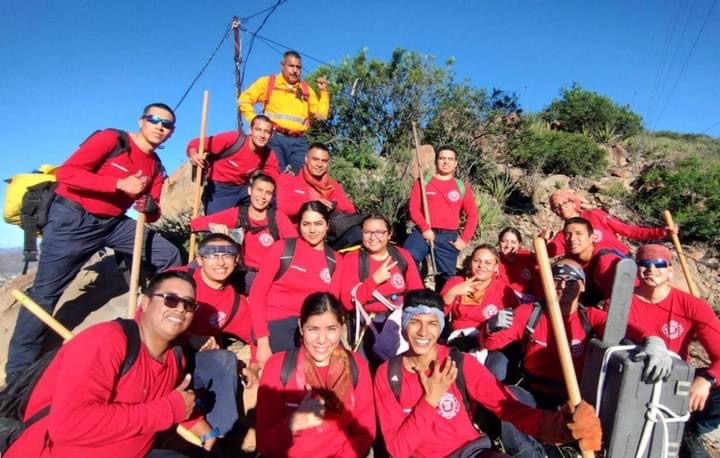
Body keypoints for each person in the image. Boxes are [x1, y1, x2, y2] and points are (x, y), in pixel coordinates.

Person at [6, 103, 182, 380]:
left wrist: (148, 206)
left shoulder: (156, 167)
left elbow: (153, 212)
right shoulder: (112, 140)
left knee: (168, 254)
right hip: (73, 218)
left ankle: (153, 321)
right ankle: (17, 373)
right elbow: (68, 173)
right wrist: (118, 185)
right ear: (142, 121)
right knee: (44, 294)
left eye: (167, 124)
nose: (160, 127)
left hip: (113, 223)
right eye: (155, 119)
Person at [373, 288, 603, 458]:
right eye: (414, 321)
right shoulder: (387, 374)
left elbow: (508, 407)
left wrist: (560, 427)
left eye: (432, 323)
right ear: (403, 325)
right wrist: (431, 399)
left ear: (441, 327)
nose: (423, 331)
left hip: (470, 452)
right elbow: (398, 450)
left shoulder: (458, 362)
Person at [5, 271, 202, 457]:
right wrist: (168, 410)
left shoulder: (175, 357)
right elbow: (69, 425)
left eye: (189, 304)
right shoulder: (106, 341)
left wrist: (196, 423)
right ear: (145, 302)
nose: (180, 308)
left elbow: (167, 402)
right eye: (171, 299)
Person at [625, 244, 720, 457]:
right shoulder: (621, 302)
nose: (651, 269)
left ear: (670, 270)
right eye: (644, 264)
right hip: (635, 383)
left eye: (659, 264)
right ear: (636, 268)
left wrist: (706, 380)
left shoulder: (692, 306)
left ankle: (691, 430)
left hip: (675, 381)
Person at [256, 292, 376, 457]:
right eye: (313, 329)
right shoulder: (278, 366)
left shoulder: (356, 365)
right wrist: (293, 423)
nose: (322, 340)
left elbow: (365, 431)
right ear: (301, 327)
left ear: (341, 327)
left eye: (331, 329)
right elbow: (264, 443)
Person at [249, 201, 344, 367]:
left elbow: (331, 306)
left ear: (327, 225)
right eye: (306, 224)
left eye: (318, 224)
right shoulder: (282, 249)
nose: (312, 230)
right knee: (286, 373)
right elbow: (257, 294)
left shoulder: (335, 260)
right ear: (299, 226)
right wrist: (263, 342)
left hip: (312, 327)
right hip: (276, 325)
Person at [190, 173, 296, 293]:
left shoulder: (278, 218)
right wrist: (212, 226)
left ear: (272, 197)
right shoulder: (239, 214)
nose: (262, 196)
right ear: (250, 191)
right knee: (194, 267)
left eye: (268, 193)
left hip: (265, 276)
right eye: (259, 190)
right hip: (238, 269)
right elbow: (195, 224)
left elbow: (295, 246)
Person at [340, 213, 423, 364]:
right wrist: (374, 281)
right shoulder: (352, 259)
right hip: (367, 324)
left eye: (379, 232)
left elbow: (417, 294)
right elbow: (347, 302)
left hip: (397, 322)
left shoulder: (401, 256)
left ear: (389, 234)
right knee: (363, 370)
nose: (373, 237)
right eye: (367, 232)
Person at [238, 50, 330, 173]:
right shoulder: (269, 82)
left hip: (299, 141)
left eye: (298, 67)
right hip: (275, 138)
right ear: (282, 66)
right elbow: (244, 100)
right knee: (276, 175)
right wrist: (256, 122)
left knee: (303, 178)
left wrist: (324, 92)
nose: (295, 70)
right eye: (291, 66)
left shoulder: (306, 89)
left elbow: (321, 115)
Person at [404, 146, 478, 292]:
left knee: (447, 278)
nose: (446, 162)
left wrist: (464, 240)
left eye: (450, 159)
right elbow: (413, 208)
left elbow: (473, 215)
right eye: (442, 158)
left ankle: (442, 310)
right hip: (423, 232)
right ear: (436, 161)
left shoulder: (462, 187)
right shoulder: (423, 182)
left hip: (448, 236)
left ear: (456, 163)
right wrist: (425, 228)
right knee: (408, 257)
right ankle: (417, 295)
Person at [186, 115, 281, 214]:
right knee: (214, 225)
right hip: (219, 189)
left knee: (271, 204)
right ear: (250, 131)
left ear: (271, 136)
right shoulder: (233, 139)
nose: (262, 135)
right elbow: (196, 143)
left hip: (244, 188)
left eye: (267, 132)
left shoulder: (268, 154)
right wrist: (193, 153)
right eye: (258, 129)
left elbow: (274, 176)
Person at [542, 188, 674, 257]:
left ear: (572, 202)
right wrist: (543, 242)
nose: (560, 209)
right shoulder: (564, 234)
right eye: (555, 207)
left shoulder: (595, 214)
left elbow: (629, 231)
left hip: (620, 260)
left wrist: (661, 232)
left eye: (563, 203)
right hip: (595, 274)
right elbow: (550, 252)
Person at [276, 142, 361, 249]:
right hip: (297, 237)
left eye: (324, 161)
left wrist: (332, 203)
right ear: (306, 159)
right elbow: (281, 207)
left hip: (326, 237)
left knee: (357, 233)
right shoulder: (290, 178)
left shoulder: (332, 184)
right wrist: (312, 203)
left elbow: (350, 209)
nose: (319, 164)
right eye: (315, 159)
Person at [441, 244, 519, 352]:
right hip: (459, 340)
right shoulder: (456, 282)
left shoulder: (503, 290)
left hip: (490, 341)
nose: (481, 266)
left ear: (496, 267)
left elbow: (515, 321)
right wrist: (452, 293)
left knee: (497, 367)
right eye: (477, 261)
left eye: (488, 263)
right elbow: (437, 315)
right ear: (470, 263)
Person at [562, 217, 624, 306]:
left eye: (578, 233)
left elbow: (617, 302)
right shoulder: (570, 259)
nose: (572, 239)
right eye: (567, 234)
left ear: (592, 238)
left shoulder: (605, 263)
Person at [497, 227, 541, 302]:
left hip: (532, 300)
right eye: (504, 241)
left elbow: (539, 281)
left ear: (519, 244)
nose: (508, 245)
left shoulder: (527, 257)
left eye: (513, 242)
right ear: (499, 242)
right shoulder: (494, 260)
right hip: (506, 299)